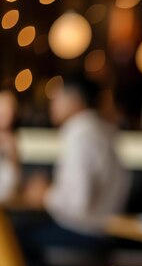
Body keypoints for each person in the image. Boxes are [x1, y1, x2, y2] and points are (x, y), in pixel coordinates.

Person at [23, 74, 130, 236]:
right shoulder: (102, 130)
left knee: (12, 240)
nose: (52, 105)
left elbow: (78, 203)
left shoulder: (80, 134)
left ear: (75, 100)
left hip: (82, 232)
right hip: (102, 231)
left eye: (57, 98)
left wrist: (44, 194)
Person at [0, 89, 20, 204]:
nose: (5, 113)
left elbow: (13, 182)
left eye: (9, 108)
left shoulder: (14, 139)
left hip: (8, 203)